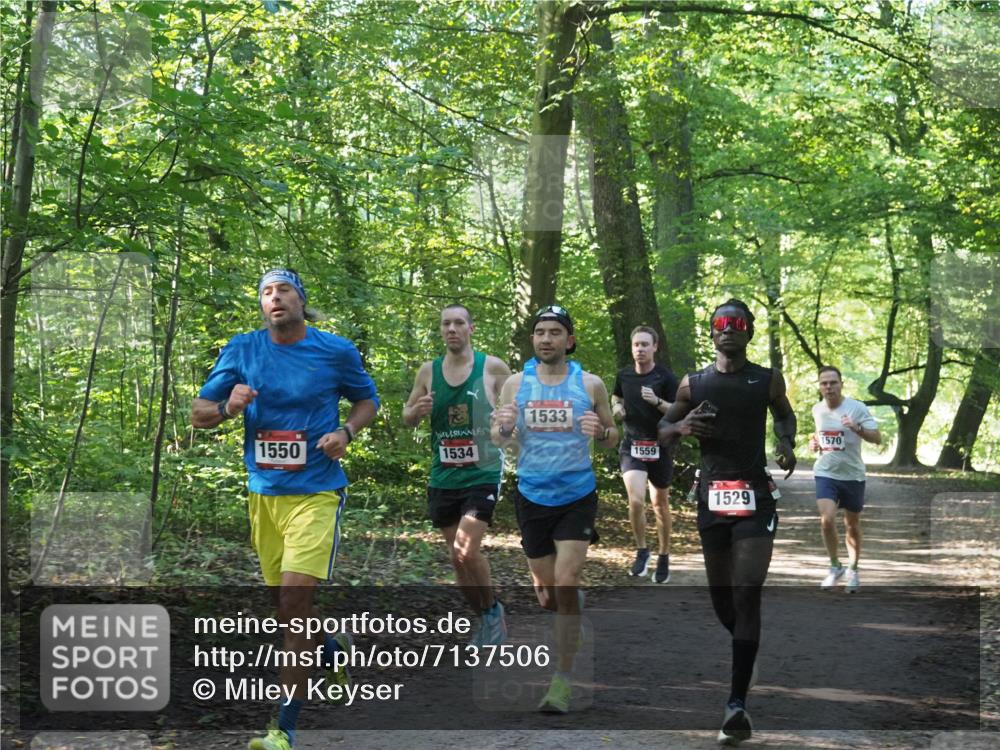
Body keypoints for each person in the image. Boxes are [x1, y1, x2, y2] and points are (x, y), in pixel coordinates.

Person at [191, 269, 379, 750]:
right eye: (266, 293)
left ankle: (284, 729)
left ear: (301, 299)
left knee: (295, 605)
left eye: (284, 290)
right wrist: (230, 408)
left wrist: (346, 433)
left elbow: (367, 400)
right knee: (285, 611)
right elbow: (199, 414)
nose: (275, 298)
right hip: (264, 495)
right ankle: (334, 649)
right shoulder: (243, 349)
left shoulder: (334, 350)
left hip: (317, 492)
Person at [657, 299, 796, 747]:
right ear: (712, 332)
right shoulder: (694, 384)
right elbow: (661, 429)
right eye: (721, 323)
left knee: (747, 593)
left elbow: (785, 413)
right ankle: (745, 649)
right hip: (711, 500)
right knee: (723, 603)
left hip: (756, 497)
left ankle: (736, 704)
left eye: (738, 323)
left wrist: (786, 443)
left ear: (749, 332)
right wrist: (681, 428)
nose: (729, 329)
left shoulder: (766, 379)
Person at [492, 305, 617, 714]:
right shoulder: (516, 383)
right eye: (540, 332)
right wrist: (504, 427)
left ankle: (560, 683)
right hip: (532, 495)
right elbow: (498, 437)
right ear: (534, 340)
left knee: (567, 580)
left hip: (577, 493)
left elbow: (612, 435)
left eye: (555, 332)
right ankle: (569, 608)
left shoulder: (590, 383)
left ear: (570, 340)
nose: (546, 339)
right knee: (547, 595)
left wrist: (602, 431)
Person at [402, 303, 512, 645]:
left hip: (483, 471)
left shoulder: (492, 367)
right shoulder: (428, 371)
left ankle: (493, 613)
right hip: (443, 475)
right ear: (441, 330)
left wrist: (505, 422)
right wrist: (417, 410)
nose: (452, 329)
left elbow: (515, 412)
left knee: (465, 550)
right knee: (456, 559)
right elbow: (407, 416)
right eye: (446, 324)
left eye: (459, 323)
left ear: (471, 328)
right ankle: (485, 615)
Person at [612, 326, 679, 583]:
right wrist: (617, 407)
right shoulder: (625, 375)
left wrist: (657, 402)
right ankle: (642, 550)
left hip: (660, 446)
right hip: (632, 446)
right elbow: (616, 395)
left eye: (644, 345)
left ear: (654, 347)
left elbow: (677, 410)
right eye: (636, 345)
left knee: (660, 504)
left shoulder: (665, 377)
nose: (639, 349)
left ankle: (664, 554)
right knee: (637, 500)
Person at [809, 365, 881, 593]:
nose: (828, 387)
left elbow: (877, 438)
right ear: (820, 387)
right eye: (824, 383)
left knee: (852, 524)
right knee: (827, 519)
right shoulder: (817, 410)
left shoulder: (857, 408)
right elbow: (822, 437)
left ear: (841, 384)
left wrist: (857, 428)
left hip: (853, 475)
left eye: (833, 382)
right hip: (825, 472)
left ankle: (853, 569)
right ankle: (834, 566)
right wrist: (815, 444)